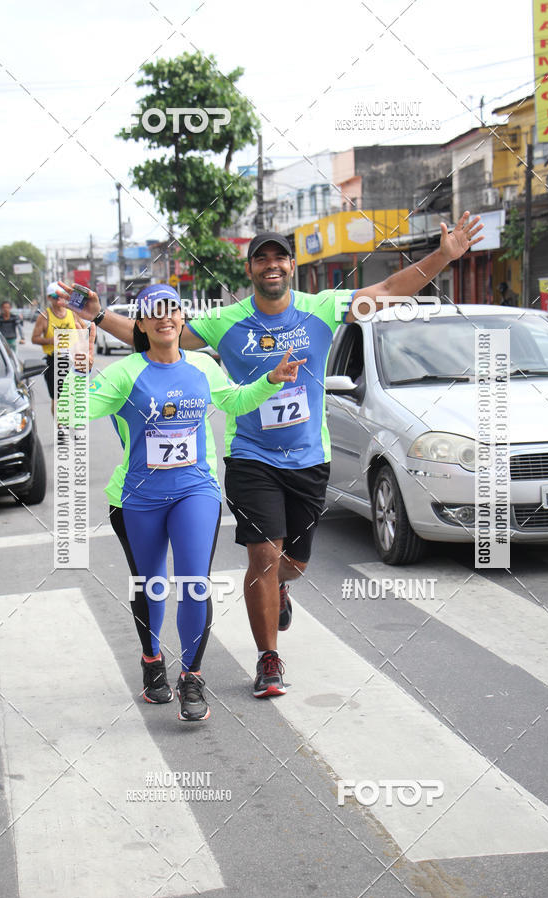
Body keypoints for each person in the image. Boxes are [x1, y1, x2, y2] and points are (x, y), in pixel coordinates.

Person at [57, 211, 483, 698]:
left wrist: (442, 257)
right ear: (251, 270)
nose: (272, 265)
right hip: (251, 457)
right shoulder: (227, 321)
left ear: (292, 266)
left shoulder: (322, 307)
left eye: (280, 257)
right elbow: (157, 336)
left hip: (308, 458)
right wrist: (96, 318)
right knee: (262, 556)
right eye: (262, 259)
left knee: (291, 563)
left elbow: (386, 290)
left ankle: (281, 584)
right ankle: (268, 659)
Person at [59, 283, 305, 721]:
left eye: (171, 308)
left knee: (194, 583)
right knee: (151, 584)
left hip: (196, 490)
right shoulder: (124, 374)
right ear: (140, 323)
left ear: (181, 316)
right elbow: (69, 415)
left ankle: (192, 677)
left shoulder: (203, 366)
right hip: (138, 497)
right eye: (153, 311)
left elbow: (235, 401)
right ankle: (152, 659)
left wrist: (270, 380)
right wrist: (78, 366)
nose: (164, 317)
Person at [31, 282, 82, 417]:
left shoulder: (72, 313)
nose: (59, 299)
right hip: (54, 361)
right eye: (55, 296)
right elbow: (34, 338)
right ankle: (60, 426)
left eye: (61, 296)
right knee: (58, 398)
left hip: (72, 360)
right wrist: (51, 340)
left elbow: (83, 330)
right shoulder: (44, 317)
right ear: (49, 298)